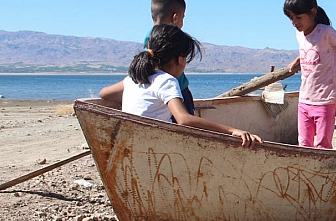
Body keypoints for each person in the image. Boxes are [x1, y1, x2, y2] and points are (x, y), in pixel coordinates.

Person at [99, 24, 262, 147]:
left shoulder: (134, 79)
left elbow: (104, 94)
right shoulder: (166, 81)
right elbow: (184, 119)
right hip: (158, 146)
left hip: (133, 142)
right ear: (180, 59)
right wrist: (232, 131)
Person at [283, 0, 336, 149]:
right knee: (303, 144)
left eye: (298, 17)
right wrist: (299, 60)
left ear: (312, 12)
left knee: (323, 145)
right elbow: (311, 50)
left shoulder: (326, 33)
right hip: (304, 100)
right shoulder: (300, 34)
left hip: (324, 101)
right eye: (291, 18)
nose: (294, 22)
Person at [149, 0, 195, 116]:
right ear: (175, 17)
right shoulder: (170, 39)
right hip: (176, 94)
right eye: (183, 17)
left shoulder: (150, 37)